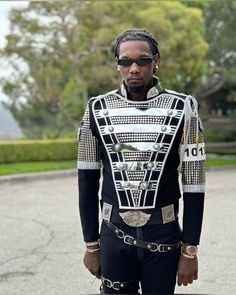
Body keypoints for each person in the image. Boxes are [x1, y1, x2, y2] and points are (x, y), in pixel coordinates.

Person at [78, 28, 206, 294]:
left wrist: (190, 250)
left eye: (143, 60)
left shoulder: (185, 108)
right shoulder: (96, 109)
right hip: (113, 236)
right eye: (126, 61)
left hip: (164, 236)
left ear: (156, 61)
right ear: (118, 65)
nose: (134, 68)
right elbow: (87, 183)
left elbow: (194, 184)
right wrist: (91, 245)